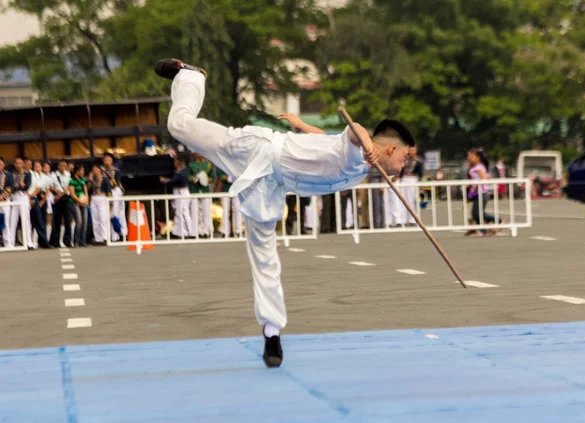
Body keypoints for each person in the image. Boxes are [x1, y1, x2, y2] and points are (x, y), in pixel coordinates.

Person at [155, 58, 413, 368]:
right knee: (178, 125)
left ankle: (272, 332)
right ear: (389, 150)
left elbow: (321, 137)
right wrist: (366, 142)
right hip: (256, 150)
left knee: (265, 256)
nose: (406, 166)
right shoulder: (356, 151)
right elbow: (353, 129)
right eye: (406, 157)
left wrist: (300, 124)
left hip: (270, 185)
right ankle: (192, 78)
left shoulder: (360, 172)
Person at [466, 148, 503, 236]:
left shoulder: (479, 167)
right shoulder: (474, 167)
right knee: (475, 214)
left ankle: (498, 221)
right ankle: (485, 230)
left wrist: (475, 186)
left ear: (477, 157)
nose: (469, 158)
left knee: (478, 214)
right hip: (476, 193)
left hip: (481, 193)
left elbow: (483, 179)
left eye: (470, 156)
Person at [160, 154, 193, 239]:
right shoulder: (178, 171)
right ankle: (178, 232)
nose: (174, 163)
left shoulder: (182, 172)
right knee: (178, 213)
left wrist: (164, 180)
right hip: (177, 192)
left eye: (175, 161)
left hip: (182, 192)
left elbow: (173, 180)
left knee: (184, 213)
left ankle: (189, 232)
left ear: (179, 162)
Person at [103, 153, 128, 242]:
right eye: (105, 160)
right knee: (110, 213)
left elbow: (117, 182)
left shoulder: (115, 170)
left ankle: (121, 233)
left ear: (112, 161)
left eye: (109, 160)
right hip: (107, 192)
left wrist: (114, 182)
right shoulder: (102, 171)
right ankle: (115, 234)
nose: (107, 162)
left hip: (115, 191)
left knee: (117, 212)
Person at [10, 157, 34, 250]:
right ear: (14, 164)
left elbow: (26, 186)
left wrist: (19, 186)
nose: (19, 165)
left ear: (23, 164)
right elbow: (12, 186)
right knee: (13, 219)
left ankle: (29, 242)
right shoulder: (11, 174)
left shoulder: (27, 174)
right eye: (17, 163)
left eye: (20, 163)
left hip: (23, 196)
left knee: (26, 219)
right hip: (14, 196)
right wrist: (18, 185)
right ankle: (11, 242)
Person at [188, 153, 214, 238]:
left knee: (206, 212)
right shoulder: (191, 165)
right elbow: (188, 176)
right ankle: (195, 232)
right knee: (195, 212)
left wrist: (205, 179)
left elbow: (212, 178)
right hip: (195, 190)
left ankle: (206, 231)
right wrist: (195, 179)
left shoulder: (208, 165)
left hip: (204, 189)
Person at [398, 145, 424, 226]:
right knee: (403, 200)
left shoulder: (419, 161)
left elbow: (421, 174)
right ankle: (403, 219)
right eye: (410, 150)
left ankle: (412, 219)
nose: (411, 152)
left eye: (413, 150)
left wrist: (421, 185)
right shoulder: (405, 160)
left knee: (411, 200)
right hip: (404, 179)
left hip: (413, 179)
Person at [28, 161, 51, 249]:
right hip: (35, 198)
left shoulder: (45, 177)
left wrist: (43, 201)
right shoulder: (33, 175)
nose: (37, 168)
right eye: (36, 167)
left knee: (43, 221)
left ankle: (43, 241)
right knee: (36, 221)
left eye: (39, 167)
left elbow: (47, 190)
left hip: (43, 198)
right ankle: (38, 241)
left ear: (41, 168)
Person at [49, 159, 72, 248]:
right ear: (58, 166)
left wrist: (62, 193)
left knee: (67, 220)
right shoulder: (53, 175)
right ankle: (55, 241)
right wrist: (56, 192)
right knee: (56, 220)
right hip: (57, 199)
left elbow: (68, 186)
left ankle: (67, 241)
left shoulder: (68, 174)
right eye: (61, 165)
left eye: (64, 166)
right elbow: (51, 186)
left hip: (65, 197)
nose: (62, 167)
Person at [88, 163, 112, 246]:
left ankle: (104, 237)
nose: (95, 171)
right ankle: (98, 238)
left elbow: (108, 191)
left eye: (97, 170)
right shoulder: (92, 179)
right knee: (95, 219)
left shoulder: (105, 179)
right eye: (93, 170)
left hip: (102, 197)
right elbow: (88, 189)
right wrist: (90, 179)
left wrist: (110, 201)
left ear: (100, 170)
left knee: (102, 218)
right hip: (94, 198)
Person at [215, 167, 242, 237]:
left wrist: (231, 178)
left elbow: (240, 175)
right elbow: (221, 176)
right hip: (226, 189)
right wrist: (229, 178)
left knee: (237, 210)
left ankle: (238, 230)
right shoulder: (222, 165)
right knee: (225, 211)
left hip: (236, 189)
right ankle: (225, 230)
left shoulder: (236, 164)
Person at [68, 165, 88, 247]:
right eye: (81, 171)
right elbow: (72, 194)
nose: (83, 172)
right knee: (79, 221)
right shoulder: (72, 181)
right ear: (77, 171)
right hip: (74, 202)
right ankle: (76, 241)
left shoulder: (83, 180)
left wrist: (86, 201)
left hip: (83, 202)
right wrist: (79, 201)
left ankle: (82, 241)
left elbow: (86, 192)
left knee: (84, 222)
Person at [0, 157, 14, 248]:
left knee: (5, 222)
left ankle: (7, 243)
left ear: (4, 165)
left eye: (0, 164)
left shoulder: (8, 175)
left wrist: (2, 196)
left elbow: (11, 187)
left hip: (5, 201)